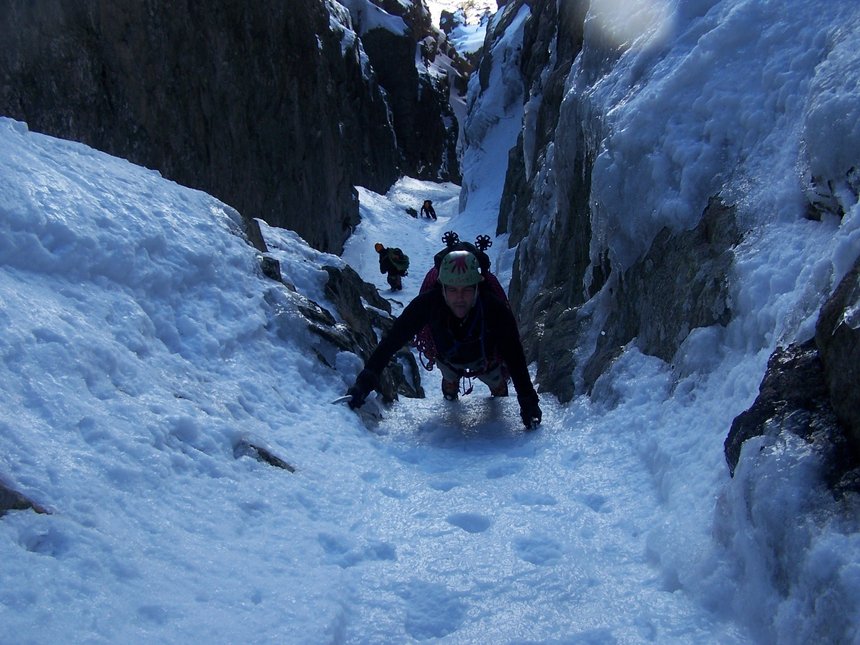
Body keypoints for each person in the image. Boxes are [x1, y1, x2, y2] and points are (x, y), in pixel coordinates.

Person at [346, 249, 542, 429]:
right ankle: (453, 382)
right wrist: (364, 383)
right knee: (457, 373)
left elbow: (514, 354)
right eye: (453, 290)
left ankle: (460, 383)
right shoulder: (429, 304)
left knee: (490, 377)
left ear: (477, 288)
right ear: (442, 289)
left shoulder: (494, 309)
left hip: (483, 360)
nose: (460, 298)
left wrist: (528, 403)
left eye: (466, 290)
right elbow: (392, 341)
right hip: (451, 357)